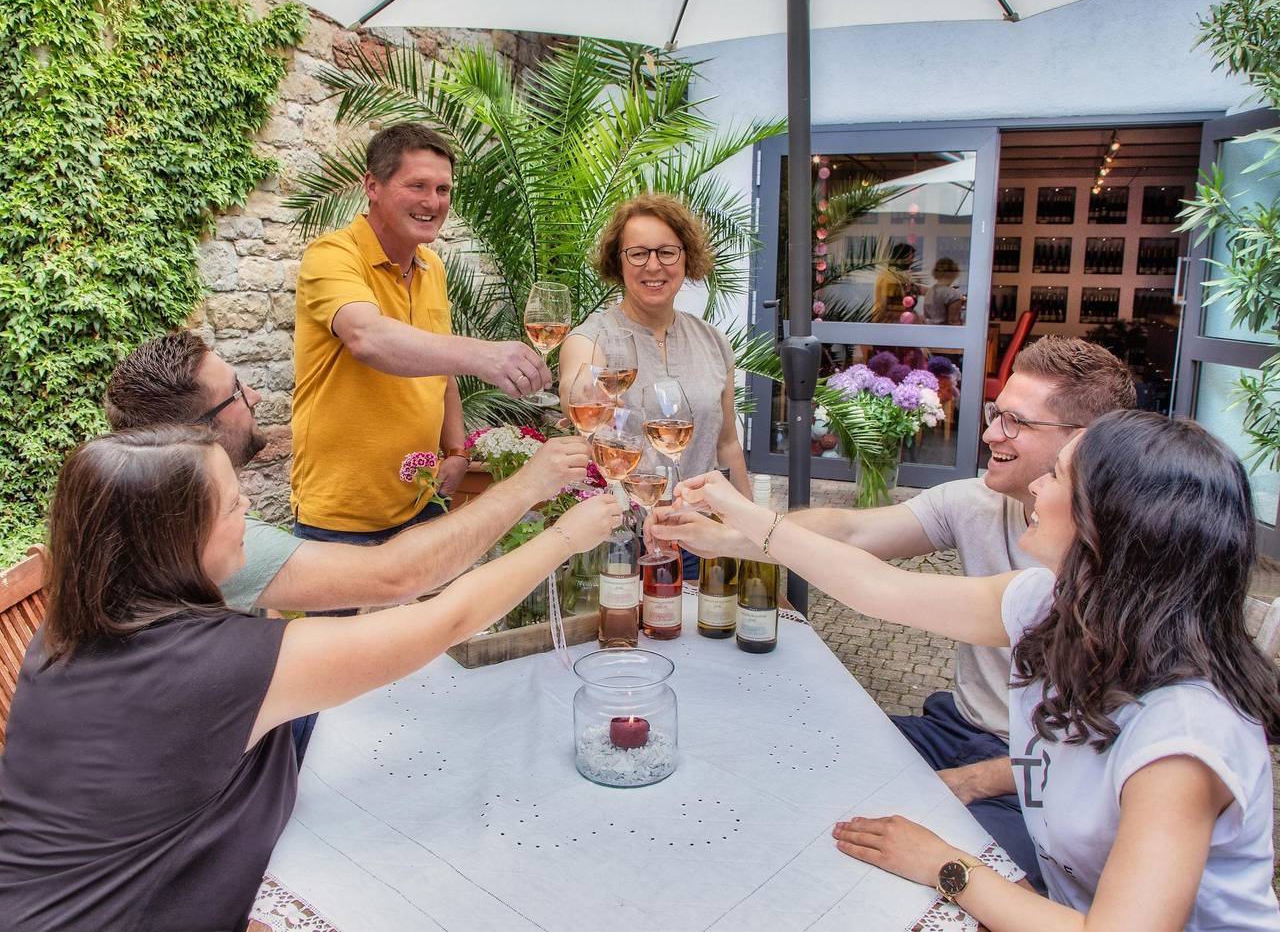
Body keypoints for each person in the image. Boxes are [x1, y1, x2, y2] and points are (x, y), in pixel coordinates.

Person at [673, 412, 1280, 931]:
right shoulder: (1054, 604)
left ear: (1112, 520)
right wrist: (738, 516)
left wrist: (946, 865)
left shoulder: (1184, 737)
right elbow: (876, 588)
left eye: (1057, 475)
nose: (1035, 487)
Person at [0, 425, 620, 932]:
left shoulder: (64, 632)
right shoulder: (219, 667)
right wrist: (566, 536)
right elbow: (446, 620)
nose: (249, 511)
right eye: (232, 504)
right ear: (174, 538)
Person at [651, 336, 1137, 887]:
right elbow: (850, 533)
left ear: (1087, 443)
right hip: (954, 726)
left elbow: (1104, 756)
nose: (988, 434)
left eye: (1016, 423)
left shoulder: (1125, 581)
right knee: (791, 766)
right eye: (995, 413)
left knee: (906, 875)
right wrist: (726, 538)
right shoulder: (977, 502)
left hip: (1040, 777)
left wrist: (977, 780)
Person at [106, 332, 588, 763]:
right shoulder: (201, 536)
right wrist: (533, 492)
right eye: (236, 391)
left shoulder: (129, 517)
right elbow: (402, 581)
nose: (255, 395)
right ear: (199, 430)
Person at [291, 122, 552, 549]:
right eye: (417, 186)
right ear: (372, 186)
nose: (433, 202)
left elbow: (440, 367)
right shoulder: (333, 254)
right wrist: (481, 355)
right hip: (341, 517)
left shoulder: (433, 266)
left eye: (443, 189)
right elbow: (367, 337)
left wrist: (457, 451)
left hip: (424, 500)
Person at [558, 192, 749, 581]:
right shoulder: (592, 339)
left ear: (686, 257)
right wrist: (584, 397)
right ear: (618, 262)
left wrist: (751, 531)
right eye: (638, 253)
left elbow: (727, 444)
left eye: (666, 252)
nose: (653, 266)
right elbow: (576, 395)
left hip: (702, 535)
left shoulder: (713, 342)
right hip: (620, 538)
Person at [920, 257, 965, 325]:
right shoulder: (952, 294)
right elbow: (954, 321)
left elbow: (926, 317)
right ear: (954, 273)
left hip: (930, 329)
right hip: (946, 330)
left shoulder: (929, 292)